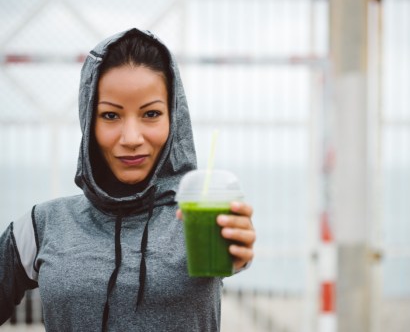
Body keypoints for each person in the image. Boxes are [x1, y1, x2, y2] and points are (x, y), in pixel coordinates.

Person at [0, 28, 255, 331]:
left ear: (174, 118)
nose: (131, 138)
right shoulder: (39, 227)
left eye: (150, 114)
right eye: (110, 115)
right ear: (88, 120)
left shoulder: (198, 217)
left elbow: (234, 256)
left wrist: (238, 250)